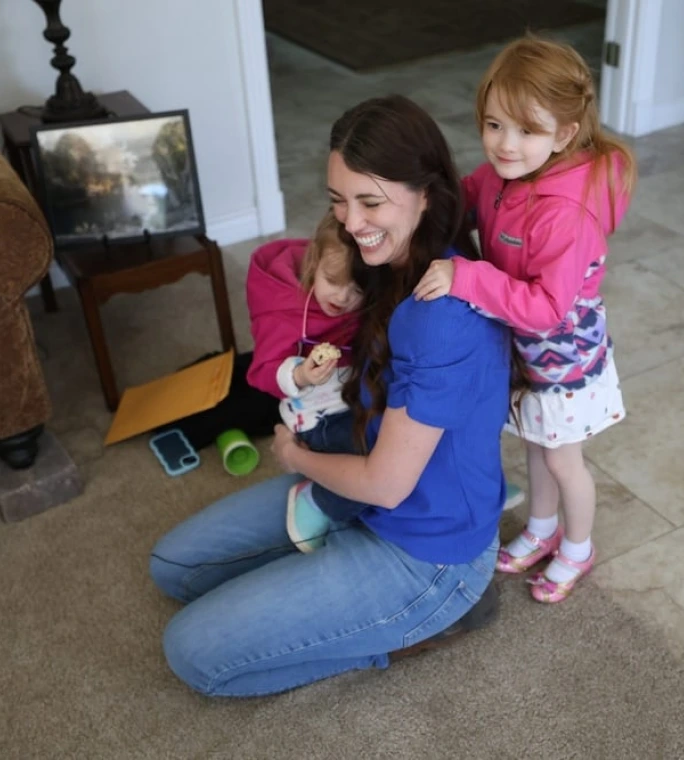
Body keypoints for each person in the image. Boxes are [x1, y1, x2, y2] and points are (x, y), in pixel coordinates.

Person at [148, 94, 512, 698]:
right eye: (338, 200)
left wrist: (294, 457)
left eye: (370, 201)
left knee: (193, 655)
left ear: (426, 194)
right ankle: (331, 572)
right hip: (355, 492)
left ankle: (422, 625)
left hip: (426, 550)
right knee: (174, 567)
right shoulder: (386, 258)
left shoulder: (440, 318)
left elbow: (385, 484)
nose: (351, 220)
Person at [414, 36, 637, 604]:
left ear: (564, 134)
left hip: (561, 354)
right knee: (537, 446)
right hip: (527, 350)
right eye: (494, 125)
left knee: (563, 458)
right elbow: (472, 197)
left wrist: (467, 278)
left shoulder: (565, 214)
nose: (505, 145)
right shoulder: (501, 173)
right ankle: (541, 530)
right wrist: (425, 205)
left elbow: (545, 309)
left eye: (526, 131)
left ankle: (578, 548)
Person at [244, 211, 369, 552]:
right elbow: (261, 372)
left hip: (356, 396)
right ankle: (317, 499)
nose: (343, 298)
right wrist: (298, 374)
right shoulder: (283, 310)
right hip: (315, 414)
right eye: (332, 280)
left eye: (357, 289)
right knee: (371, 456)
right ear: (313, 263)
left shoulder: (359, 302)